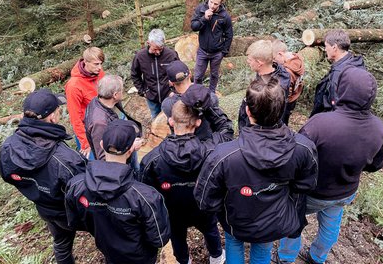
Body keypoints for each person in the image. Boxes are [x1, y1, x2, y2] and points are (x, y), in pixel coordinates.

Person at [194, 78, 318, 264]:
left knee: (234, 244)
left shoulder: (224, 155)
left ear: (247, 111)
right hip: (273, 220)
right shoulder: (304, 148)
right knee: (262, 250)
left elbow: (205, 199)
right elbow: (306, 184)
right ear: (282, 108)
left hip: (236, 220)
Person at [276, 68, 383, 264]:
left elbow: (295, 157)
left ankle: (286, 258)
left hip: (313, 191)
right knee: (331, 224)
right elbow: (375, 166)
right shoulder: (379, 128)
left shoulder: (320, 124)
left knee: (294, 220)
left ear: (342, 90)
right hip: (346, 190)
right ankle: (317, 257)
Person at [0, 89, 87, 264]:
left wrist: (35, 189)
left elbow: (7, 174)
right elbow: (84, 188)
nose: (60, 112)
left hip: (45, 208)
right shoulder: (62, 158)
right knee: (106, 237)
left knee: (61, 244)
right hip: (70, 213)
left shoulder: (9, 146)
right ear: (52, 117)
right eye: (58, 110)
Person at [65, 119, 171, 264]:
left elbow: (76, 222)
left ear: (101, 145)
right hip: (140, 257)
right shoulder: (145, 197)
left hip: (108, 250)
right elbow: (159, 238)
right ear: (130, 150)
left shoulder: (76, 185)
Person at [141, 97, 232, 264]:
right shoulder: (211, 150)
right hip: (203, 207)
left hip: (173, 212)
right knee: (210, 229)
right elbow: (226, 129)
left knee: (177, 236)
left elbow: (148, 195)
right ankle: (217, 258)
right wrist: (207, 105)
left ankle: (185, 260)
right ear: (197, 123)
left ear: (170, 121)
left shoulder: (151, 161)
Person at [83, 75, 143, 173]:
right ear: (115, 95)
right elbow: (104, 158)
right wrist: (131, 148)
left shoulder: (104, 101)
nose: (123, 92)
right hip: (122, 165)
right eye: (122, 90)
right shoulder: (100, 123)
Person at [161, 60, 233, 141]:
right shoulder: (210, 96)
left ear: (170, 82)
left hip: (184, 145)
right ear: (190, 74)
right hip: (209, 143)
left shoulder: (167, 104)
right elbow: (219, 121)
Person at [310, 29, 367, 117]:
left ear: (334, 47)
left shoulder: (338, 73)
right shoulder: (356, 63)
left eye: (326, 46)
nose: (325, 50)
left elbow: (336, 105)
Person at [237, 40, 290, 130]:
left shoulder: (276, 88)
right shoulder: (262, 73)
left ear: (259, 63)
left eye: (250, 59)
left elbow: (273, 119)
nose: (248, 62)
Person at [65, 47, 106, 158]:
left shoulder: (100, 73)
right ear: (85, 62)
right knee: (93, 165)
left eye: (101, 63)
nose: (100, 68)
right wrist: (85, 143)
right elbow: (75, 118)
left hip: (102, 124)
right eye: (96, 64)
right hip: (87, 132)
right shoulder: (74, 86)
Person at [191, 0, 233, 94]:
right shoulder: (200, 9)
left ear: (221, 3)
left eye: (216, 4)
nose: (212, 6)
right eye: (211, 2)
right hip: (202, 50)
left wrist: (224, 52)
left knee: (214, 75)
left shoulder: (224, 16)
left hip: (217, 52)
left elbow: (229, 35)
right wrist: (204, 18)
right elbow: (194, 26)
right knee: (198, 75)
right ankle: (197, 94)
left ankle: (212, 94)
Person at [131, 29, 180, 119]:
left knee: (172, 118)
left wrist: (174, 91)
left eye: (160, 49)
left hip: (169, 95)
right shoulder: (140, 57)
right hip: (151, 97)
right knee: (156, 119)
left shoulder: (171, 55)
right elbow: (135, 75)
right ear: (148, 43)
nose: (158, 52)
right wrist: (143, 91)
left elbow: (178, 74)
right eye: (155, 49)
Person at [272, 39, 305, 126]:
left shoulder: (287, 73)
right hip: (294, 97)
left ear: (280, 54)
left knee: (281, 121)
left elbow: (286, 92)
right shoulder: (297, 59)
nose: (274, 62)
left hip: (287, 101)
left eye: (274, 59)